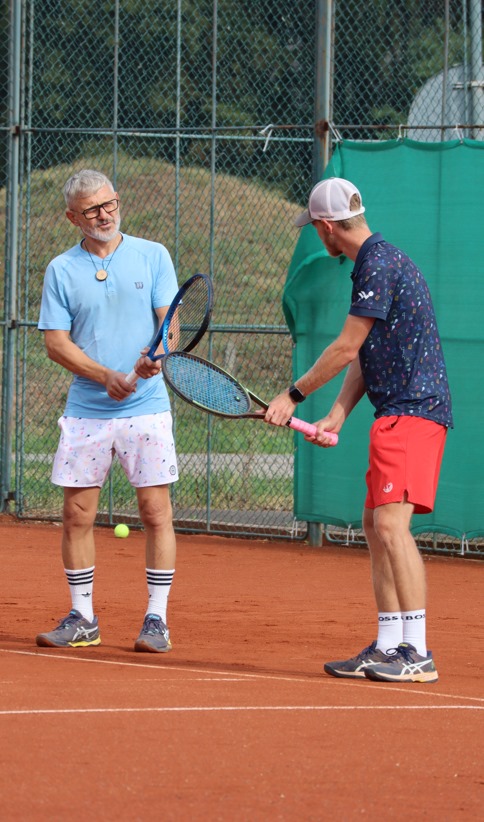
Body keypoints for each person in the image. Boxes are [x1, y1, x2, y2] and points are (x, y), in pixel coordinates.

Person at [265, 177, 453, 683]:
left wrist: (293, 395)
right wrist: (338, 413)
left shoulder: (378, 263)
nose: (317, 236)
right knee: (375, 526)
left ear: (327, 227)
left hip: (412, 412)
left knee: (391, 527)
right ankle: (388, 644)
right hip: (397, 411)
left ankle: (417, 651)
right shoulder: (375, 262)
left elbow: (346, 346)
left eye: (315, 228)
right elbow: (367, 352)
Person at [36, 169, 179, 653]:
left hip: (147, 407)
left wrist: (156, 356)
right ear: (72, 217)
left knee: (155, 511)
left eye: (109, 204)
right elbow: (56, 344)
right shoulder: (61, 270)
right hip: (87, 411)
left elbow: (170, 325)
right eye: (92, 209)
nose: (104, 215)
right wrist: (104, 376)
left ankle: (156, 620)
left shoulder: (153, 255)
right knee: (77, 513)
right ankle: (82, 618)